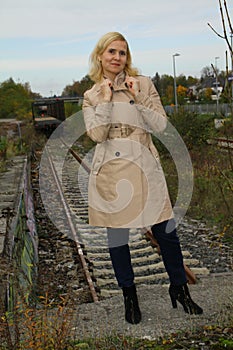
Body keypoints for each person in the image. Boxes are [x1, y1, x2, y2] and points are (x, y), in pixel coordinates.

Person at [82, 31, 203, 324]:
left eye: (122, 53)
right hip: (112, 170)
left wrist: (137, 97)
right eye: (111, 52)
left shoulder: (144, 85)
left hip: (145, 165)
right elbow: (97, 135)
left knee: (166, 232)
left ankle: (180, 288)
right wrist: (108, 99)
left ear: (128, 57)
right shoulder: (91, 96)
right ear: (100, 56)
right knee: (118, 238)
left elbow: (160, 125)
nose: (117, 58)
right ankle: (130, 297)